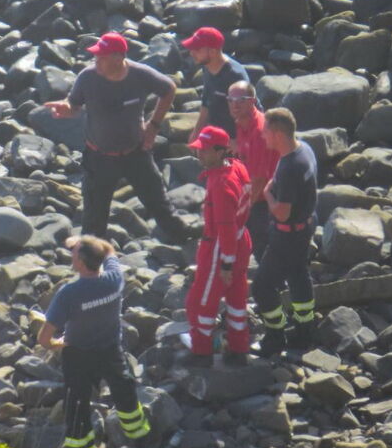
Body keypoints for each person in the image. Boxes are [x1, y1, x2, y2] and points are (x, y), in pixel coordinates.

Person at [45, 31, 188, 242]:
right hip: (99, 156)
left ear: (119, 57)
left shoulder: (140, 75)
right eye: (95, 56)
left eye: (101, 57)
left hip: (135, 153)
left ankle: (189, 244)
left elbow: (169, 89)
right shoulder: (88, 77)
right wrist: (66, 109)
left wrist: (154, 125)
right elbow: (74, 105)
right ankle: (90, 263)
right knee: (94, 217)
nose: (96, 61)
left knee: (159, 204)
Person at [37, 235, 151, 448]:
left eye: (75, 252)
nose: (71, 255)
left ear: (81, 262)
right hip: (110, 349)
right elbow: (109, 249)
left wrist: (58, 344)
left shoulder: (69, 293)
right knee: (124, 390)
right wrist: (86, 242)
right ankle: (140, 438)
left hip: (78, 355)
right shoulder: (114, 278)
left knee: (77, 408)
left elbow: (44, 338)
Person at [184, 126, 253, 367]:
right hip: (241, 240)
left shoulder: (221, 185)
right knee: (236, 298)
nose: (199, 155)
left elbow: (224, 227)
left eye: (203, 150)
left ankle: (201, 353)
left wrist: (226, 263)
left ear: (219, 152)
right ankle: (238, 349)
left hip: (220, 248)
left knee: (200, 301)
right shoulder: (238, 167)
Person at [252, 108, 318, 356]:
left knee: (262, 287)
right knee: (298, 274)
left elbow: (282, 213)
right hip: (307, 224)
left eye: (266, 131)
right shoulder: (304, 149)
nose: (262, 135)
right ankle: (304, 329)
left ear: (278, 133)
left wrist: (267, 194)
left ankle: (274, 337)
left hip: (289, 234)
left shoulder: (290, 165)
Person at [228, 80, 280, 261]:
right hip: (253, 193)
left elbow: (259, 178)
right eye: (231, 100)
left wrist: (243, 210)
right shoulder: (242, 122)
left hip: (264, 199)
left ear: (252, 101)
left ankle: (275, 284)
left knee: (263, 247)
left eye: (241, 99)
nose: (235, 104)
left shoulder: (259, 131)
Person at [182, 27, 252, 142]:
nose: (191, 53)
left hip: (234, 140)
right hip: (216, 136)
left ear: (213, 52)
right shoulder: (207, 67)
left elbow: (249, 114)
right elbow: (206, 102)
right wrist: (197, 131)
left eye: (197, 50)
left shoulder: (235, 76)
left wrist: (238, 143)